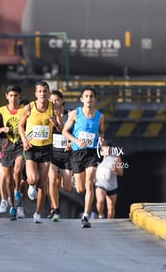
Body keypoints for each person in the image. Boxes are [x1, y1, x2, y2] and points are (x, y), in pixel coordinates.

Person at [18, 80, 63, 223]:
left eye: (45, 91)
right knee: (33, 179)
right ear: (36, 94)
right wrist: (24, 140)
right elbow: (20, 125)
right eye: (40, 91)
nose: (43, 94)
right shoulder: (29, 107)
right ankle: (30, 185)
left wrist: (54, 122)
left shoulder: (54, 107)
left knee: (43, 183)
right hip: (31, 148)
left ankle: (37, 213)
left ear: (48, 93)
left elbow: (61, 129)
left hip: (46, 148)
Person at [62, 87, 105, 228]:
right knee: (80, 189)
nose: (89, 99)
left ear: (95, 99)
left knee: (89, 183)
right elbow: (65, 132)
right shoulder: (75, 113)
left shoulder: (100, 116)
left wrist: (101, 140)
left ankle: (86, 215)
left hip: (91, 152)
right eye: (86, 96)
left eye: (91, 96)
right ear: (81, 99)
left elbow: (101, 133)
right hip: (77, 153)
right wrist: (75, 141)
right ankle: (76, 178)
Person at [0, 85, 25, 221]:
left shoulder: (24, 111)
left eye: (16, 95)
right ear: (6, 96)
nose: (13, 98)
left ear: (19, 97)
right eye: (11, 95)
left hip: (20, 146)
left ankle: (17, 193)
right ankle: (12, 205)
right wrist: (2, 130)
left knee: (17, 171)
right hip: (6, 147)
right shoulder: (0, 111)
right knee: (8, 179)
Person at [47, 90, 72, 222]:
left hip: (67, 154)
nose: (54, 103)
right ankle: (54, 209)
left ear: (62, 101)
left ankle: (67, 179)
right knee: (52, 180)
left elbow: (65, 131)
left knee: (66, 187)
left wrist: (71, 143)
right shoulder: (47, 116)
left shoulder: (70, 116)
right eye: (51, 100)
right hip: (53, 154)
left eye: (56, 100)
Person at [95, 140, 124, 219]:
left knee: (111, 207)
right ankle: (101, 215)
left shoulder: (116, 158)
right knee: (100, 201)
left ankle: (110, 222)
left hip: (112, 185)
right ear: (102, 148)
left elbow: (121, 173)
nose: (107, 150)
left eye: (109, 148)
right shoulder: (97, 156)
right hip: (100, 184)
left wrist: (116, 170)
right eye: (105, 148)